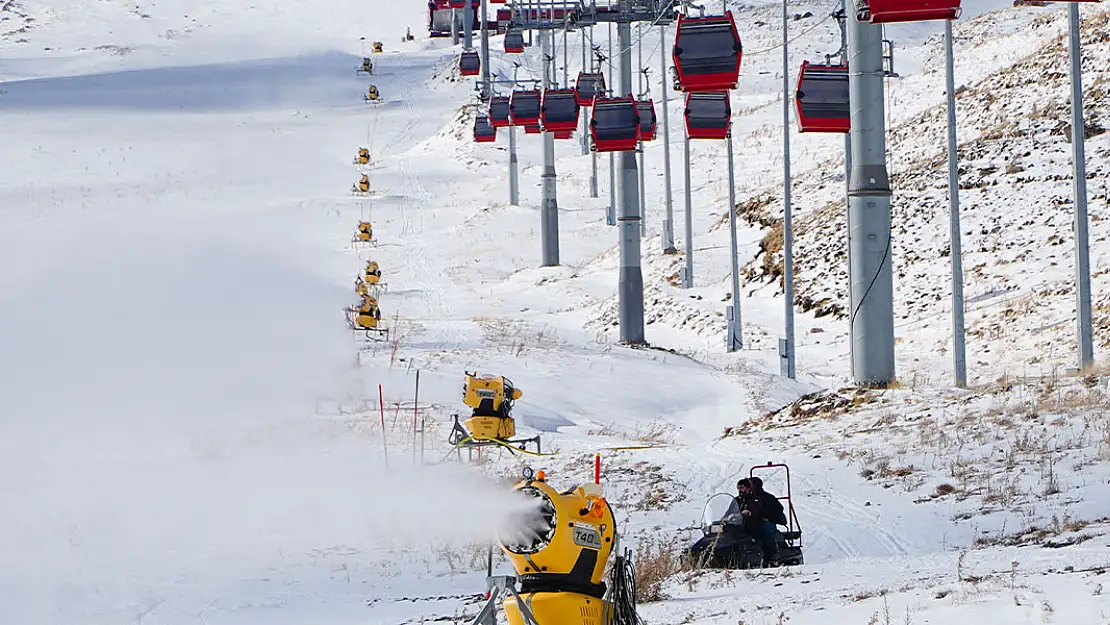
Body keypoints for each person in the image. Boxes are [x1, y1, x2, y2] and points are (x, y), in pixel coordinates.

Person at [735, 478, 780, 562]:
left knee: (763, 530)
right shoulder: (737, 500)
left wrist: (750, 513)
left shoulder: (757, 498)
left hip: (756, 522)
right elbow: (731, 510)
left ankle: (771, 553)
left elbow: (759, 509)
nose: (740, 490)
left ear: (749, 487)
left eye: (742, 488)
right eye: (738, 488)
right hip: (742, 523)